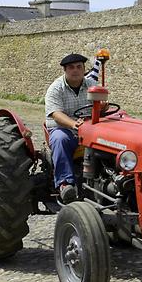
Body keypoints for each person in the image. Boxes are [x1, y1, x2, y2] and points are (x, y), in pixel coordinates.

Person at [44, 52, 104, 203]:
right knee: (60, 139)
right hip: (65, 130)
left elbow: (101, 108)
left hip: (89, 130)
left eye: (79, 67)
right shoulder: (56, 88)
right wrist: (73, 124)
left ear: (84, 69)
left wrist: (103, 106)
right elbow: (56, 114)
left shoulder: (92, 85)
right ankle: (65, 184)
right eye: (71, 67)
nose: (76, 70)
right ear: (65, 70)